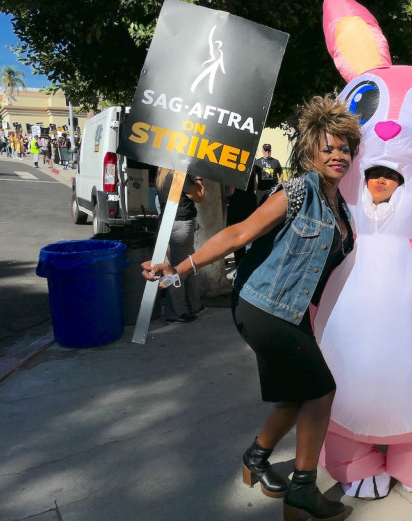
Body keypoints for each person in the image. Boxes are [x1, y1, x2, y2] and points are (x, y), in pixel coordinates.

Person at [142, 93, 362, 521]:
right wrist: (178, 269)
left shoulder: (344, 210)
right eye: (328, 147)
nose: (338, 155)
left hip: (292, 312)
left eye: (345, 147)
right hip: (262, 305)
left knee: (296, 395)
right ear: (311, 151)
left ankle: (257, 459)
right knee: (321, 391)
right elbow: (239, 234)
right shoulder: (299, 190)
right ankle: (302, 488)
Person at [155, 167, 206, 324]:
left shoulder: (162, 173)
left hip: (167, 223)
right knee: (178, 270)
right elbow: (200, 196)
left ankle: (194, 305)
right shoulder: (180, 175)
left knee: (189, 265)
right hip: (181, 224)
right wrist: (199, 178)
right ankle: (175, 313)